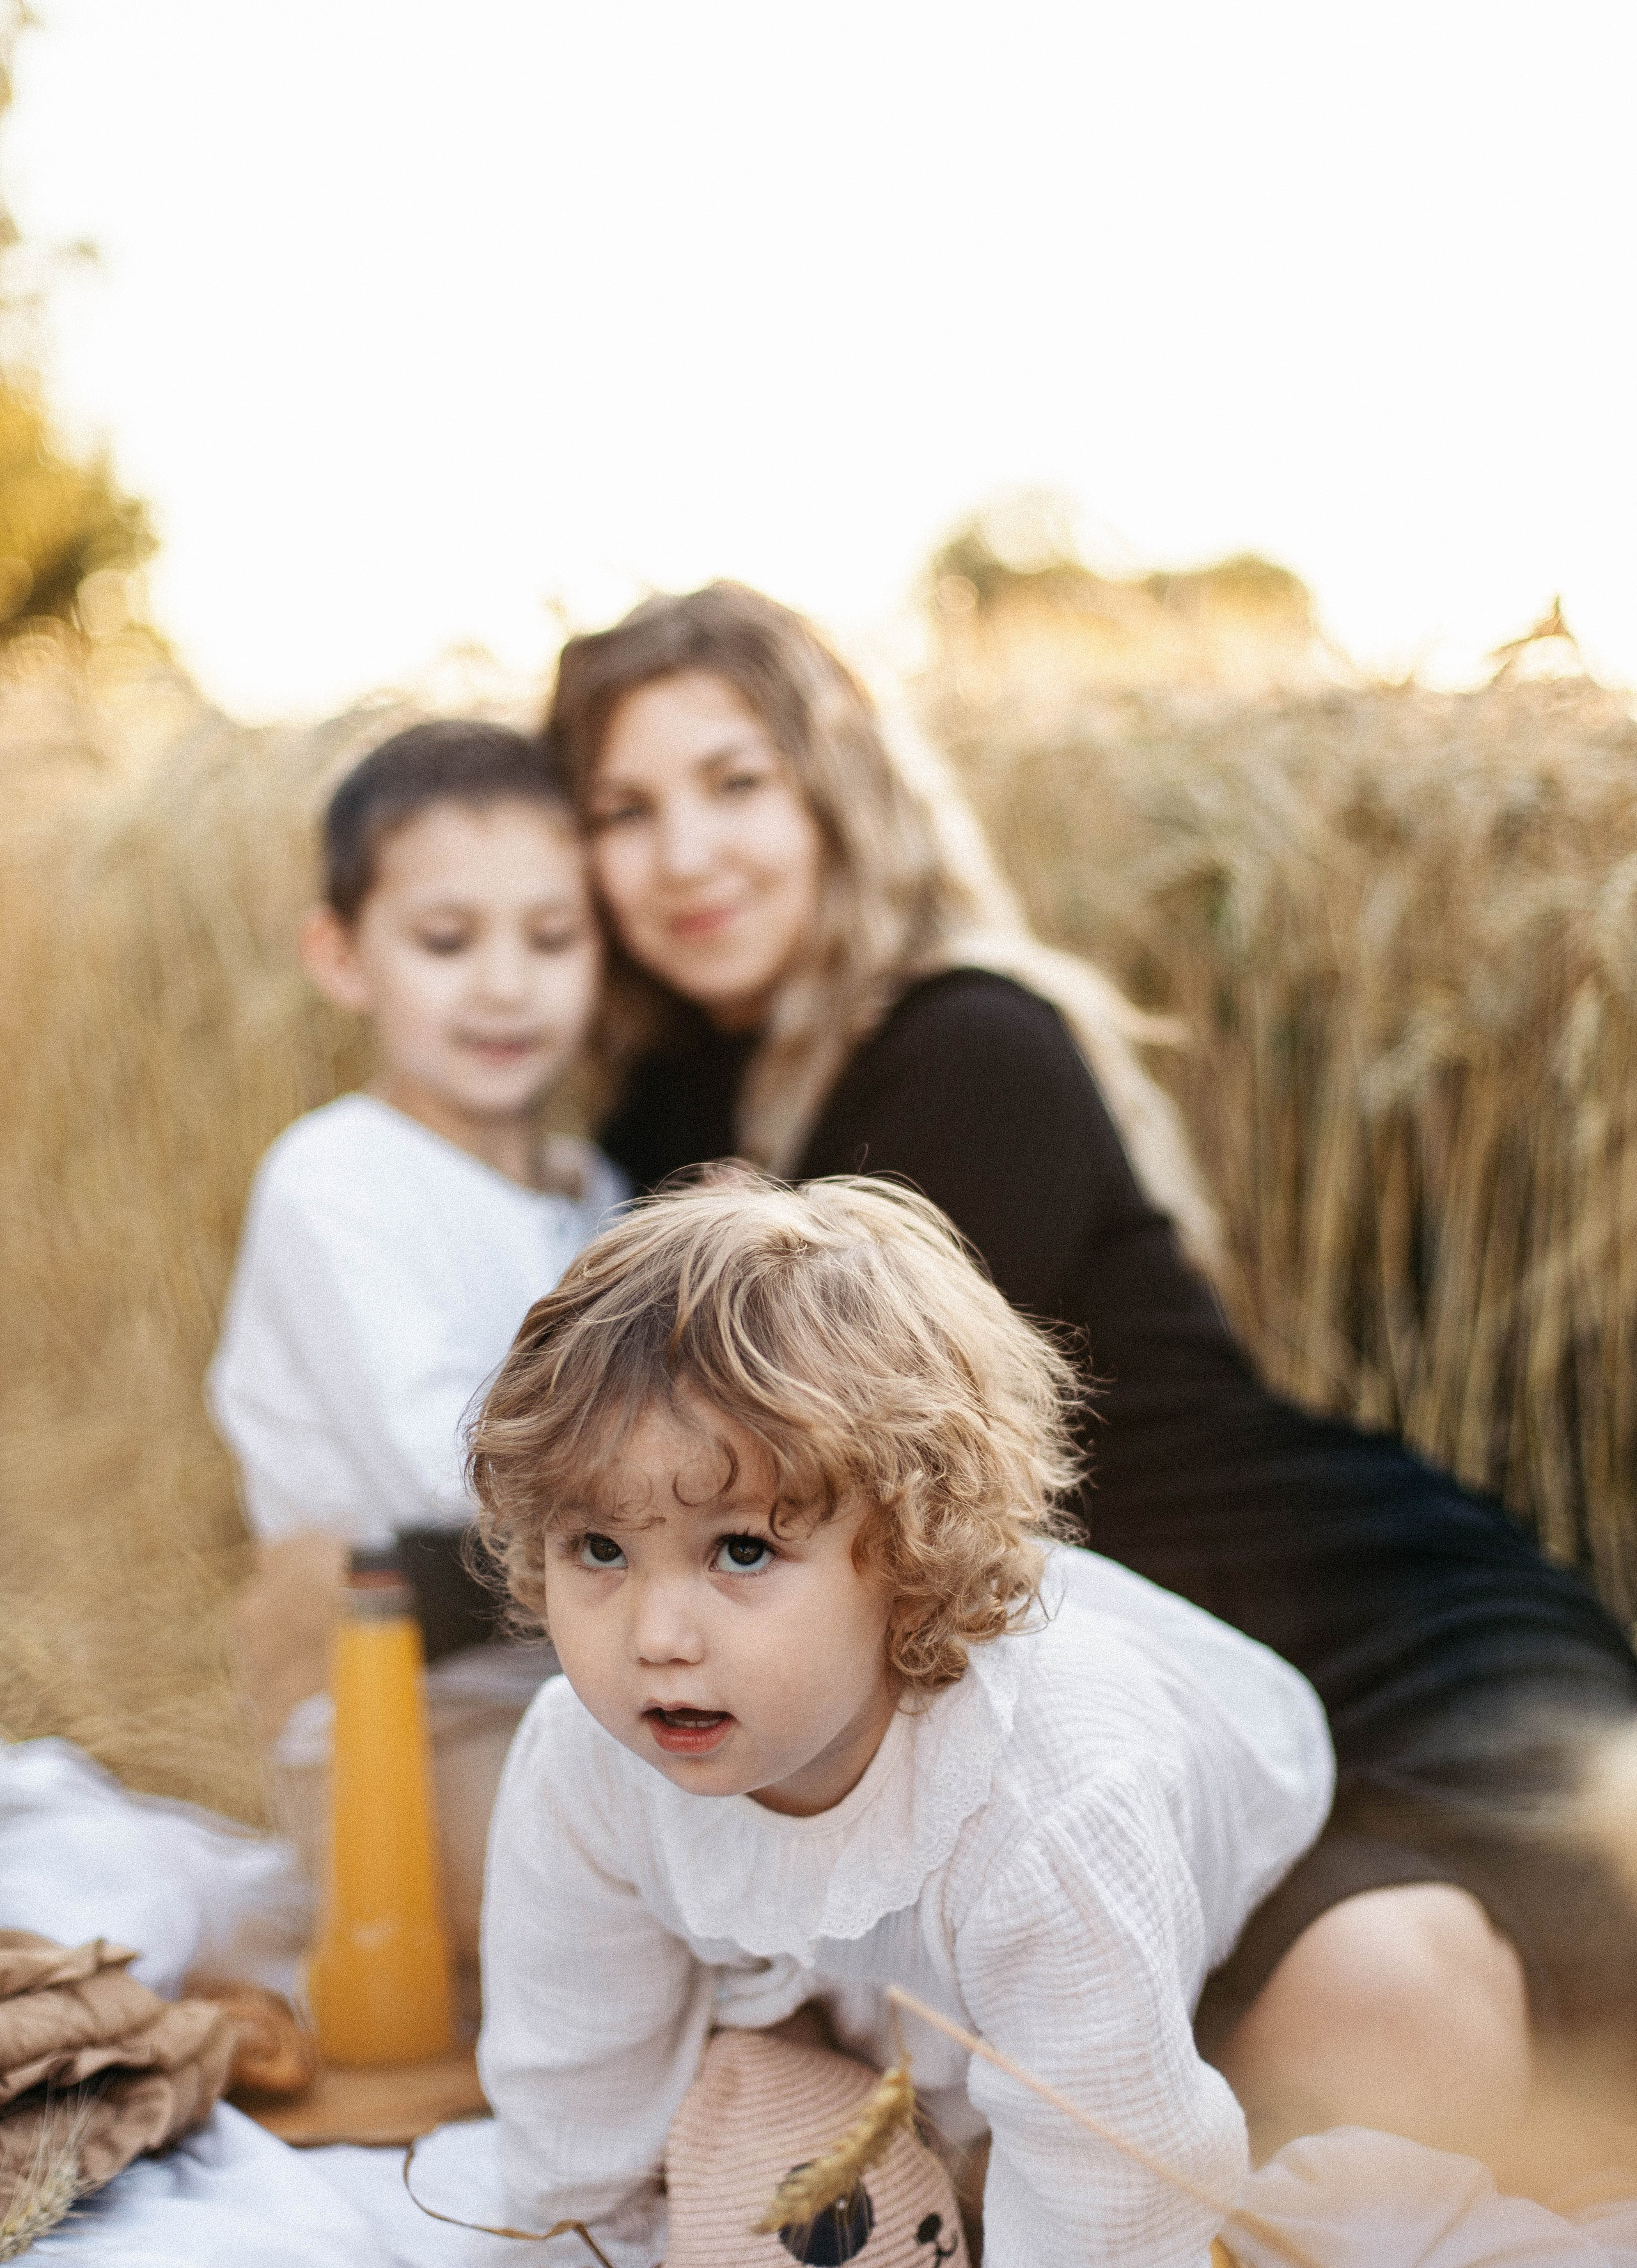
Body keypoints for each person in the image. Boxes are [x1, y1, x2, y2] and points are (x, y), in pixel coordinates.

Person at [542, 582, 1637, 2184]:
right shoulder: (679, 1106)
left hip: (1373, 1649)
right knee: (1361, 2049)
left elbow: (733, 1470)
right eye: (623, 811)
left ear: (835, 786)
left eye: (734, 783)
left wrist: (407, 1580)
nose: (684, 854)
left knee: (1486, 2049)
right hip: (1161, 1715)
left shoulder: (965, 1043)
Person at [471, 1173, 1335, 2268]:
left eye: (742, 1551)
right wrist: (590, 2245)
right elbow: (573, 2038)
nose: (657, 1634)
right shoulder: (587, 1757)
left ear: (911, 1559)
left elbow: (1114, 2151)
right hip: (893, 1925)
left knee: (1294, 2081)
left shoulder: (1050, 1801)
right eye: (598, 1550)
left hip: (1231, 1874)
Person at [208, 718, 625, 1955]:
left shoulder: (591, 1186)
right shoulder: (335, 1177)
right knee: (600, 1905)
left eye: (553, 938)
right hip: (396, 1713)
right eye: (448, 942)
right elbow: (437, 1464)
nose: (505, 983)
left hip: (588, 1689)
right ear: (342, 956)